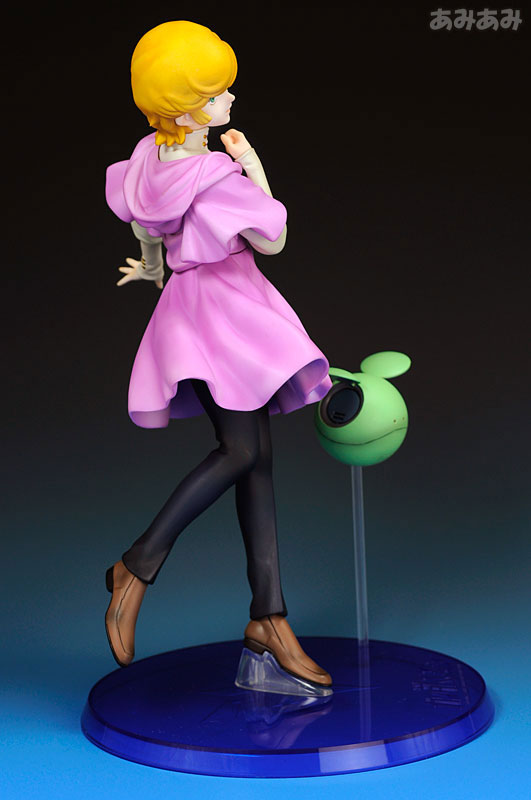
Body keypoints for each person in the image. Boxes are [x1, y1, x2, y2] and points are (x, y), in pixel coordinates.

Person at [104, 21, 332, 689]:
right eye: (213, 95)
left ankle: (269, 617)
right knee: (240, 453)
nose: (228, 99)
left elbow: (146, 225)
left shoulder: (149, 158)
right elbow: (273, 238)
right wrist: (251, 162)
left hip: (187, 311)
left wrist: (151, 267)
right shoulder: (215, 173)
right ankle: (138, 564)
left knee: (254, 458)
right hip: (230, 313)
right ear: (184, 112)